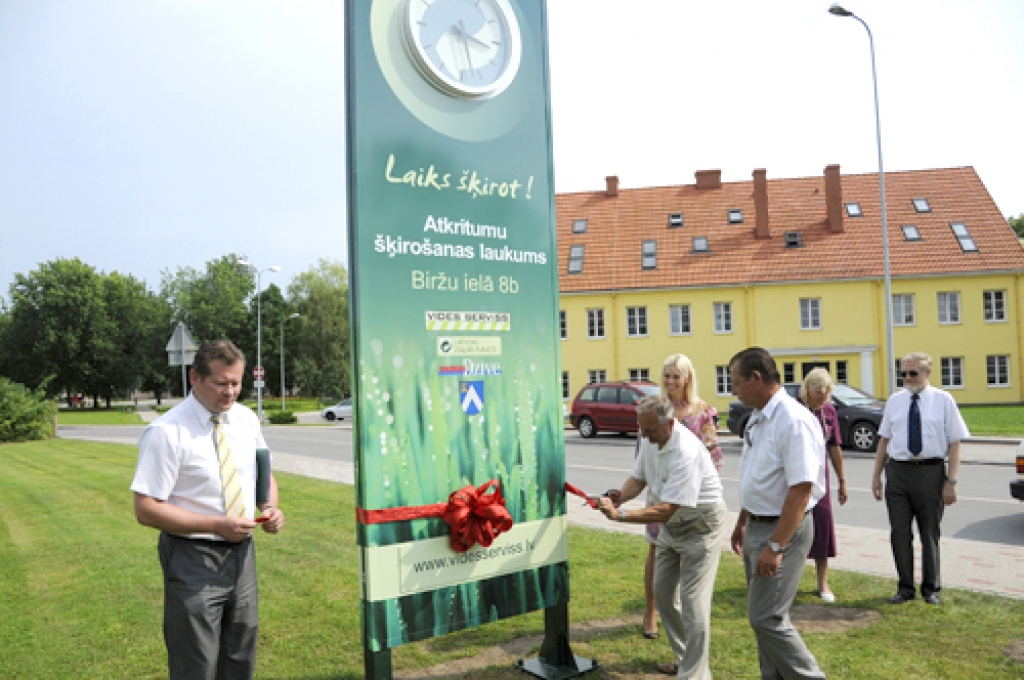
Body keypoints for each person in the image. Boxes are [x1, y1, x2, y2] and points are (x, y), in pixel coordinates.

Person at [131, 339, 285, 680]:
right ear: (195, 378)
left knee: (240, 654)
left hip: (242, 555)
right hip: (192, 556)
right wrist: (216, 526)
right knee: (196, 662)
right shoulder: (166, 432)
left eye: (236, 383)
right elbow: (145, 509)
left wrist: (269, 507)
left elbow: (264, 474)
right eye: (221, 383)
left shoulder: (244, 420)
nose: (230, 392)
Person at [598, 396, 727, 680]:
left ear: (670, 424)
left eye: (649, 429)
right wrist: (619, 497)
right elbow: (639, 478)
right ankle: (686, 660)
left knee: (694, 603)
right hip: (673, 528)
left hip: (701, 526)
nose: (643, 434)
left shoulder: (687, 450)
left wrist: (621, 516)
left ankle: (695, 676)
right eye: (641, 428)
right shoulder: (649, 437)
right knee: (664, 593)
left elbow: (667, 509)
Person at [728, 347, 827, 680]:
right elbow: (758, 476)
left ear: (757, 378)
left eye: (736, 381)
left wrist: (775, 546)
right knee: (765, 619)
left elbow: (801, 491)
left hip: (782, 530)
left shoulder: (794, 420)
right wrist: (743, 520)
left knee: (766, 618)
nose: (733, 390)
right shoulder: (758, 415)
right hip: (757, 525)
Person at [871, 351, 968, 606]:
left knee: (929, 533)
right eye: (903, 373)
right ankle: (905, 588)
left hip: (930, 472)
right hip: (898, 472)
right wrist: (876, 477)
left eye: (912, 373)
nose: (907, 378)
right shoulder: (895, 401)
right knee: (900, 533)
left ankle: (931, 588)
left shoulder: (943, 400)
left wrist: (951, 481)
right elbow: (884, 440)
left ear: (927, 373)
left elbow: (955, 443)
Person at [641, 354, 723, 639]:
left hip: (691, 496)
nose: (671, 381)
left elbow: (713, 453)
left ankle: (683, 623)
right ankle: (651, 611)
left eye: (676, 376)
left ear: (687, 378)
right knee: (656, 551)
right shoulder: (657, 408)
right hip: (661, 492)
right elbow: (644, 457)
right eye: (667, 375)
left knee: (689, 572)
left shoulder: (701, 411)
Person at [799, 368, 848, 603]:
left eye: (826, 391)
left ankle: (822, 582)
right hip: (797, 477)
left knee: (823, 526)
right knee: (793, 527)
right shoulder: (796, 409)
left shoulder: (829, 412)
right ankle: (787, 580)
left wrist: (842, 481)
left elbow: (835, 447)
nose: (821, 395)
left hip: (822, 478)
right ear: (807, 389)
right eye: (817, 391)